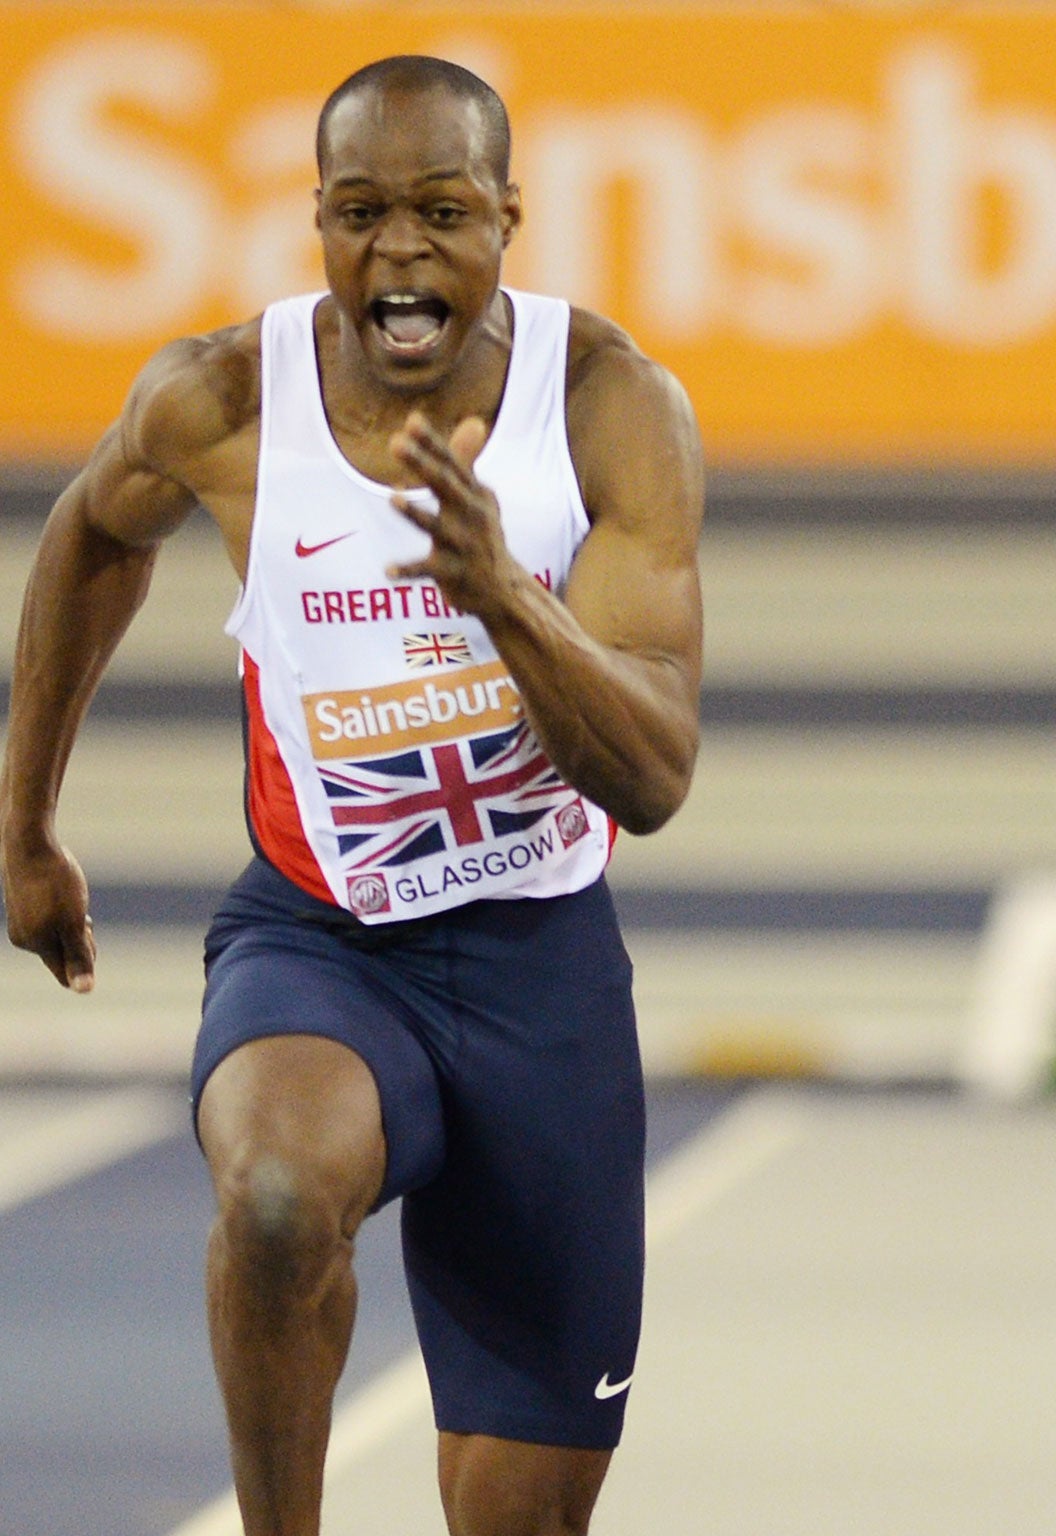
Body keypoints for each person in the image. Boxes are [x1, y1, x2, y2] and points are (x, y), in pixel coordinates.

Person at [1, 55, 702, 1536]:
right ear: (314, 218)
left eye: (442, 212)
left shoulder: (608, 408)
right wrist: (27, 826)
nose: (399, 251)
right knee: (271, 1202)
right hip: (321, 942)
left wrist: (507, 594)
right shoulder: (221, 397)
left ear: (509, 217)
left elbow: (653, 778)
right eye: (360, 210)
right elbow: (89, 538)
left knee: (522, 1518)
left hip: (542, 971)